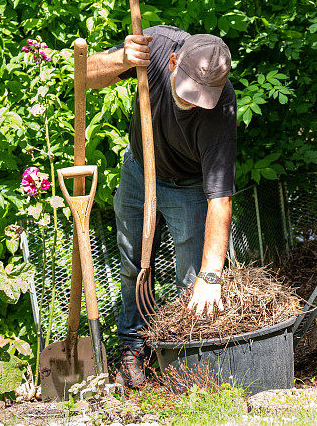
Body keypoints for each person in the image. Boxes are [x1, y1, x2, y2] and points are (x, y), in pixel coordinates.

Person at [87, 25, 236, 387]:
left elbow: (220, 198)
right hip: (140, 169)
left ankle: (192, 363)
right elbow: (87, 75)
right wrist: (122, 58)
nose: (193, 102)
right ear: (171, 63)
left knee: (194, 282)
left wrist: (211, 275)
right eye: (188, 92)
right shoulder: (155, 46)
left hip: (188, 186)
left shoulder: (221, 108)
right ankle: (133, 347)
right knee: (133, 263)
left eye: (203, 96)